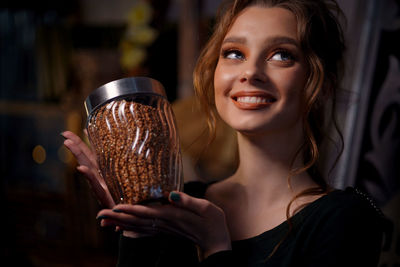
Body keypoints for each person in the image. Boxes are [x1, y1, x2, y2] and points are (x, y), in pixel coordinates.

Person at [62, 0, 386, 266]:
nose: (250, 72)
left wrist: (216, 248)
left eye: (281, 55)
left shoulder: (345, 221)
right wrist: (138, 231)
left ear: (322, 84)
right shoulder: (181, 204)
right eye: (234, 53)